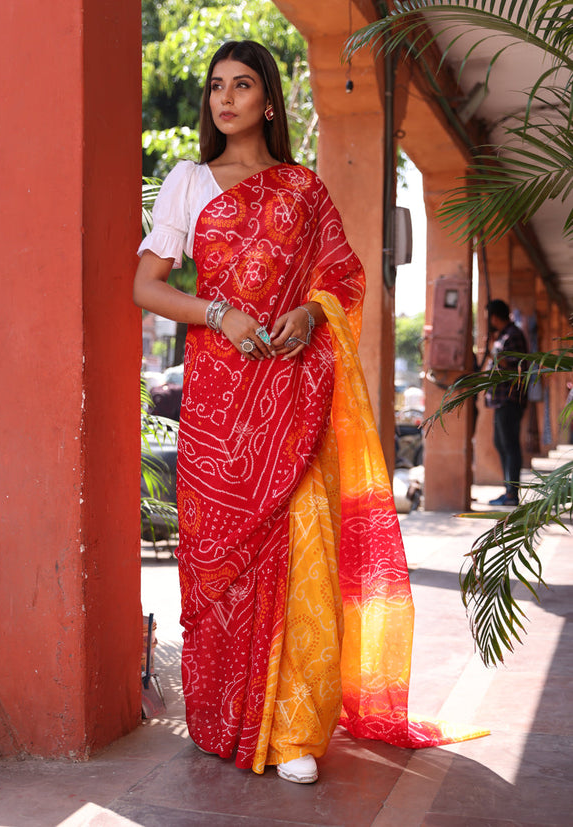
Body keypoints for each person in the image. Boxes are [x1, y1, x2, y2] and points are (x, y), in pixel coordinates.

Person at [133, 40, 484, 784]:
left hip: (289, 397)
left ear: (267, 101)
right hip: (217, 403)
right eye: (216, 87)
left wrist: (310, 314)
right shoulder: (189, 183)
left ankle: (291, 725)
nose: (224, 99)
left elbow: (345, 279)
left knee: (297, 552)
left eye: (242, 85)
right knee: (214, 562)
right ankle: (222, 711)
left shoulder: (302, 189)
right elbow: (147, 285)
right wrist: (219, 313)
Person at [485, 299, 528, 506]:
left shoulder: (513, 336)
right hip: (500, 399)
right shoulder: (503, 336)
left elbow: (516, 367)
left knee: (510, 445)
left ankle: (512, 493)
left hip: (510, 399)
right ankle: (508, 489)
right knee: (501, 443)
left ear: (495, 317)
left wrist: (497, 356)